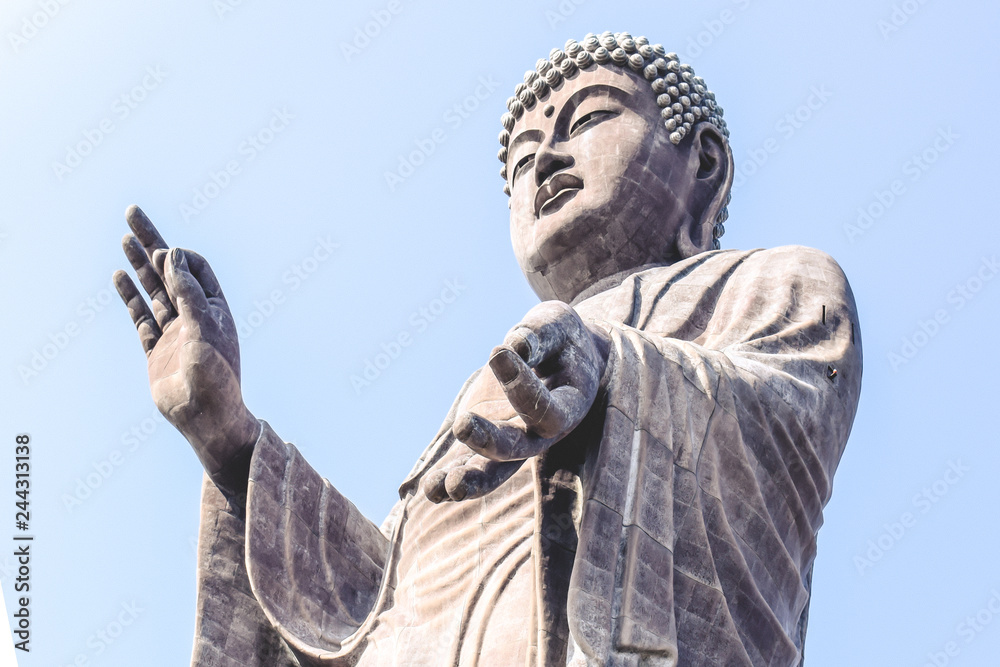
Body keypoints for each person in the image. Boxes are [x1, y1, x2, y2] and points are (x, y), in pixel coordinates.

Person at [114, 31, 862, 667]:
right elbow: (379, 608)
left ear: (703, 165)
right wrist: (232, 440)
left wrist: (610, 374)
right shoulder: (492, 380)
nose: (546, 163)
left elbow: (783, 413)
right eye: (523, 156)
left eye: (588, 119)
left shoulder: (771, 282)